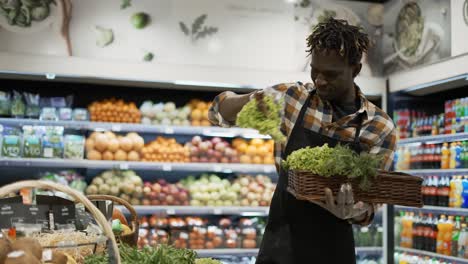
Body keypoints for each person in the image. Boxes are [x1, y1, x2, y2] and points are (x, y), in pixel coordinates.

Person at [208, 17, 396, 263]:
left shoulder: (379, 127)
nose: (319, 80)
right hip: (280, 246)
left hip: (333, 252)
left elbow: (370, 206)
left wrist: (353, 210)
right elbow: (217, 114)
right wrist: (249, 101)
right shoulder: (291, 99)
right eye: (315, 70)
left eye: (331, 74)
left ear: (356, 70)